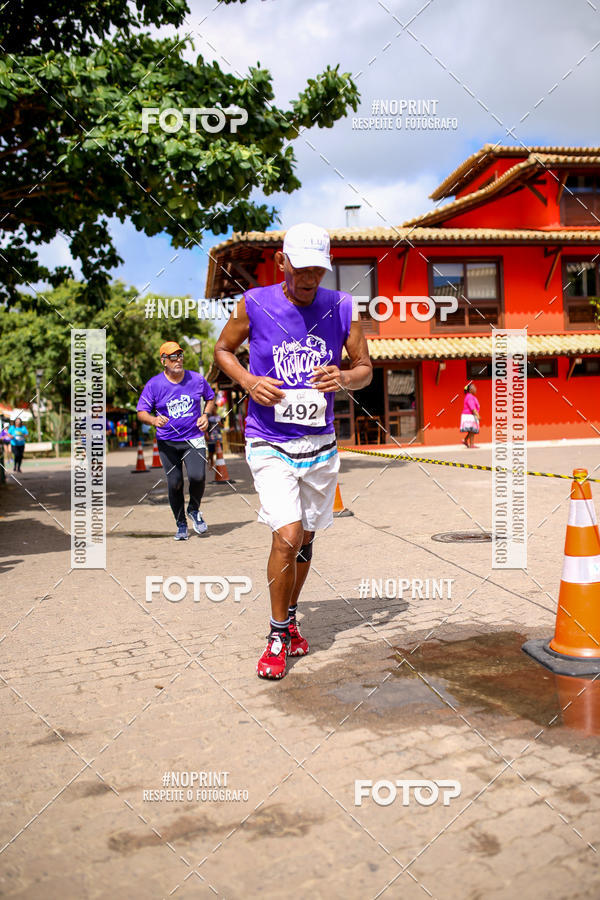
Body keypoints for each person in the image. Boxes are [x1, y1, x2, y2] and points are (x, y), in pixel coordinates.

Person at [214, 222, 372, 679]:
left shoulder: (343, 307)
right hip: (268, 440)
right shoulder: (254, 303)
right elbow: (223, 349)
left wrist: (342, 377)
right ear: (282, 262)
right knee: (286, 533)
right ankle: (277, 633)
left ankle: (291, 614)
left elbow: (365, 367)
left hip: (319, 445)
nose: (308, 280)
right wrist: (247, 381)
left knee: (305, 538)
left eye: (317, 271)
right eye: (300, 269)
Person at [137, 341, 216, 540]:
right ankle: (181, 524)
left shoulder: (197, 379)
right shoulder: (154, 385)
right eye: (173, 357)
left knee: (198, 477)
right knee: (175, 483)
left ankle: (194, 510)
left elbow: (211, 397)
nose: (178, 360)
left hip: (194, 438)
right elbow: (141, 412)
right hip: (168, 442)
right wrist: (154, 419)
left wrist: (205, 415)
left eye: (180, 355)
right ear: (163, 361)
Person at [460, 383, 480, 448]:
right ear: (471, 390)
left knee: (471, 430)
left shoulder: (470, 396)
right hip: (469, 415)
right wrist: (477, 415)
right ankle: (471, 444)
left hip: (469, 415)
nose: (476, 389)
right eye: (474, 388)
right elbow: (472, 407)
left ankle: (465, 440)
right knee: (472, 430)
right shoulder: (470, 397)